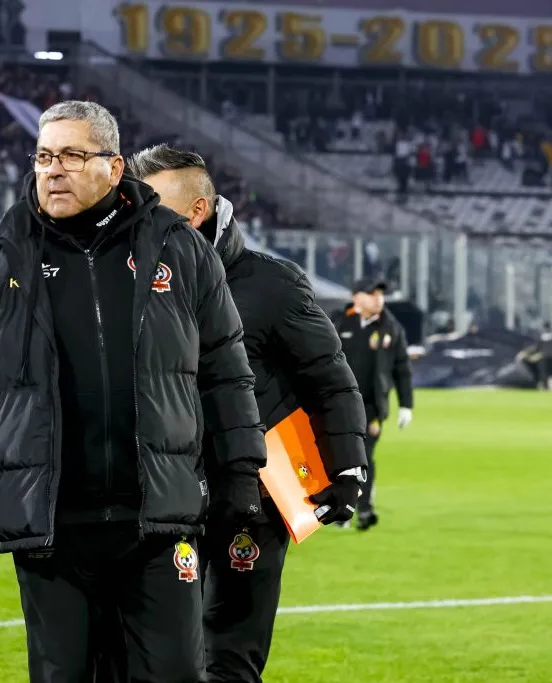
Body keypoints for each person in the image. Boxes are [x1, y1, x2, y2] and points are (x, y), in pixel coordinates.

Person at [0, 102, 266, 683]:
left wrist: (240, 478)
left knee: (178, 675)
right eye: (43, 157)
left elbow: (225, 371)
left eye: (72, 156)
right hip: (52, 528)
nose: (53, 170)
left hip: (157, 523)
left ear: (114, 166)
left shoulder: (179, 249)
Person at [110, 144, 367, 683]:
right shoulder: (119, 279)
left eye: (149, 206)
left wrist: (347, 469)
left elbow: (330, 378)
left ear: (196, 213)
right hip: (158, 491)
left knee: (229, 655)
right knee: (149, 653)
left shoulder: (270, 285)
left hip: (248, 497)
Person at [335, 278, 413, 531]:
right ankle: (340, 509)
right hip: (338, 404)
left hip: (371, 408)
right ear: (356, 297)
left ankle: (364, 508)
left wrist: (406, 406)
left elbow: (402, 369)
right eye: (371, 293)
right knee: (337, 456)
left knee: (363, 458)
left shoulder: (391, 328)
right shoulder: (338, 322)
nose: (378, 298)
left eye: (380, 294)